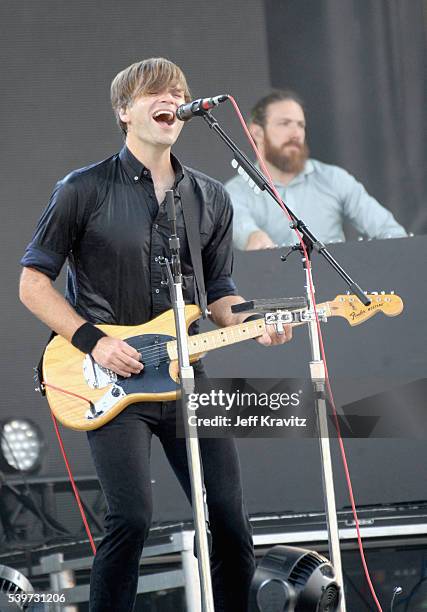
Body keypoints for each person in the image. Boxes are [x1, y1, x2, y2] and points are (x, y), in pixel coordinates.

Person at [19, 59, 292, 612]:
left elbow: (219, 294)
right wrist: (93, 341)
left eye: (179, 92)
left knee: (233, 525)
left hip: (188, 371)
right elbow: (32, 284)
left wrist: (258, 321)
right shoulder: (82, 189)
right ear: (124, 111)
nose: (173, 98)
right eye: (157, 92)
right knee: (131, 519)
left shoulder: (210, 197)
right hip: (112, 376)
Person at [225, 90, 407, 250]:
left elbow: (392, 233)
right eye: (285, 123)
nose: (296, 133)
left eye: (300, 125)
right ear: (257, 132)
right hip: (274, 286)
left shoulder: (334, 178)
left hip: (336, 287)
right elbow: (246, 233)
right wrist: (253, 237)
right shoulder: (235, 192)